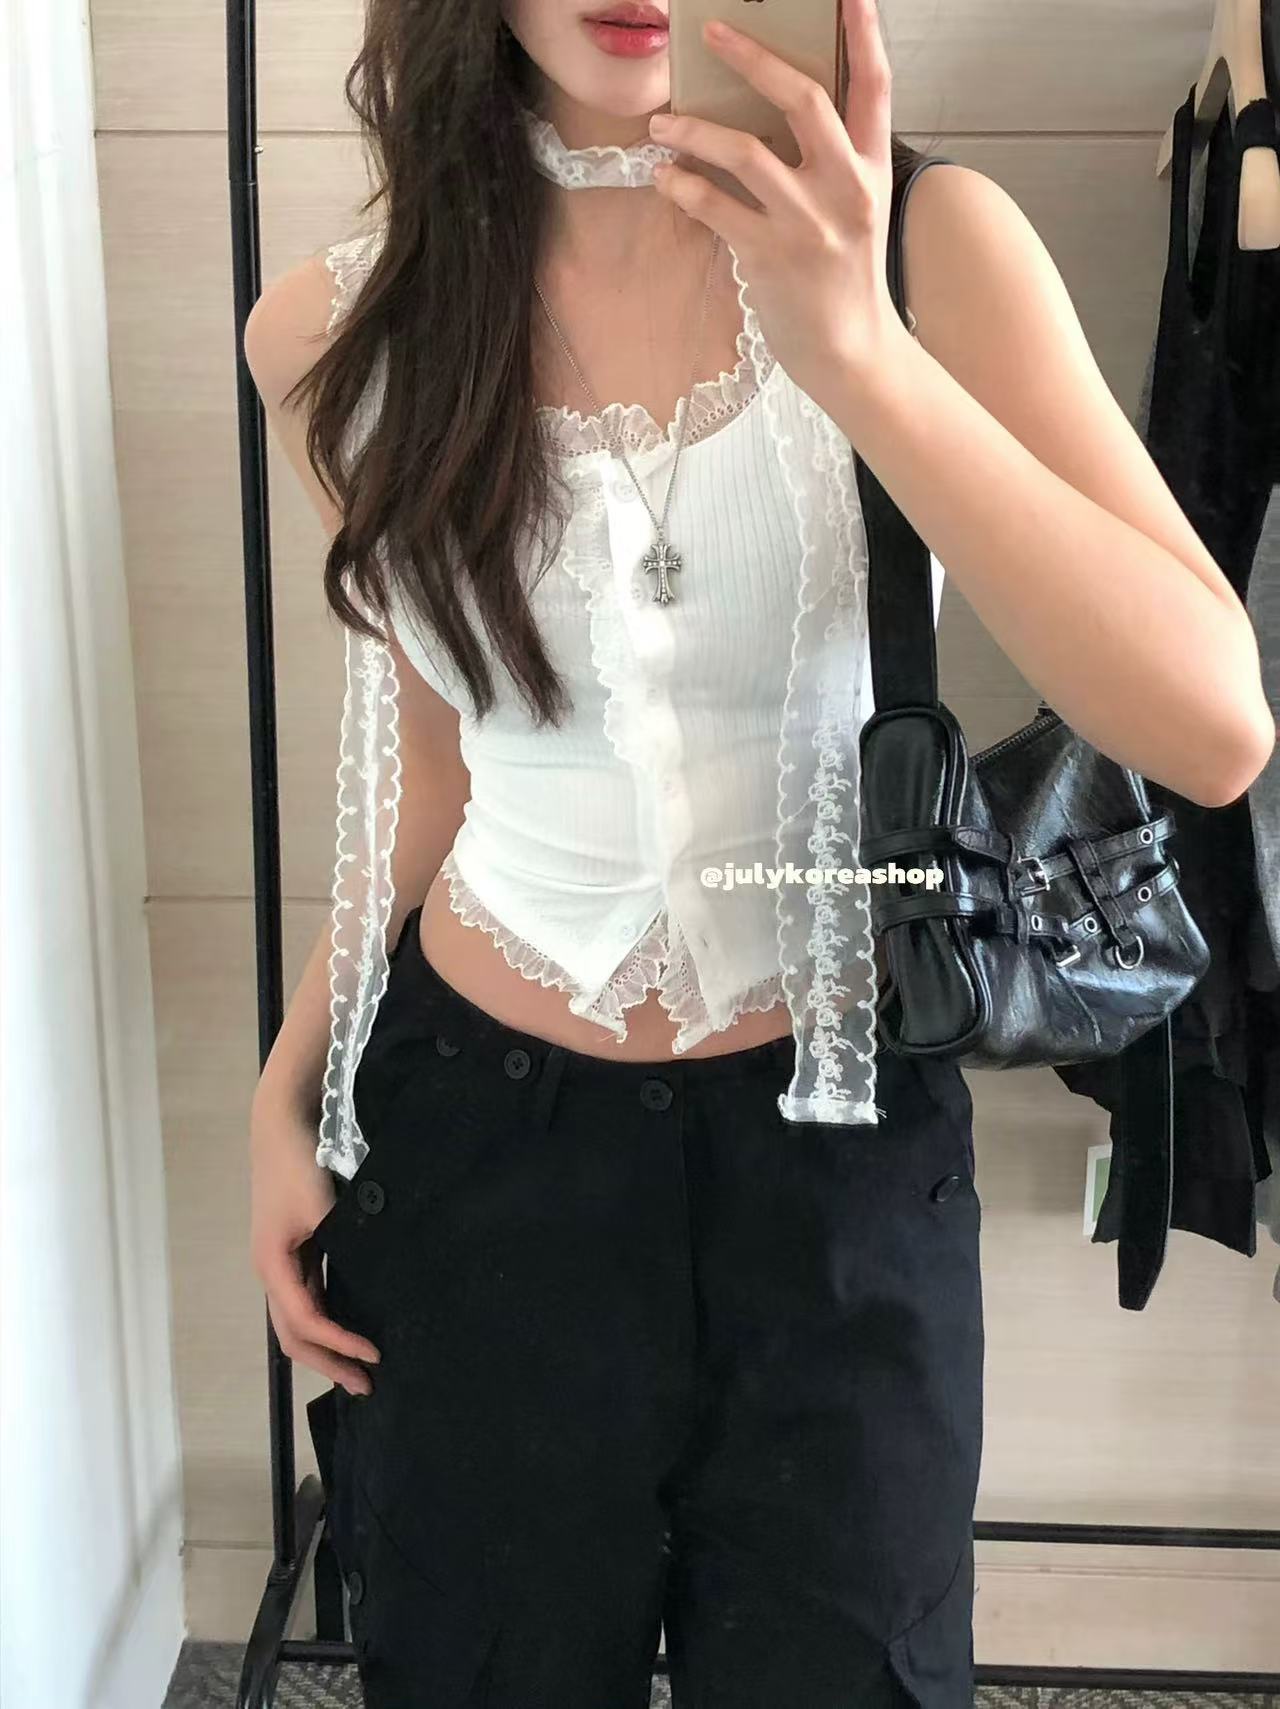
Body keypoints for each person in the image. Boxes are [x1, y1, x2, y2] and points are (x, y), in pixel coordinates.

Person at [243, 2, 1276, 1704]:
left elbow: (1213, 724)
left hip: (835, 1165)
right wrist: (294, 1080)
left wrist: (857, 349)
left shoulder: (928, 244)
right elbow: (436, 769)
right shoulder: (341, 328)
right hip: (478, 1164)